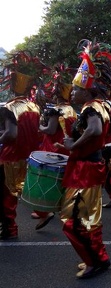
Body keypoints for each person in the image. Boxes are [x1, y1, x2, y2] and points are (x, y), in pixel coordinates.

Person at [60, 39, 111, 278]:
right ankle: (97, 258)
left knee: (76, 220)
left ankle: (96, 260)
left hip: (86, 169)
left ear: (86, 89)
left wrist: (73, 144)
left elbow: (93, 131)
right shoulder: (98, 105)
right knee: (85, 218)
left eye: (75, 88)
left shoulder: (90, 108)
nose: (72, 92)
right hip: (88, 167)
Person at [0, 51, 49, 240]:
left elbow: (11, 134)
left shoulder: (9, 107)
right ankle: (44, 212)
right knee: (25, 188)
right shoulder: (33, 106)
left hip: (11, 156)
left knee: (7, 196)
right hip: (28, 155)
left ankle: (9, 229)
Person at [34, 66, 77, 230]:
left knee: (43, 184)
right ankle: (65, 212)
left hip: (52, 150)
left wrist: (40, 126)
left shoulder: (56, 110)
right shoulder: (71, 110)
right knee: (64, 183)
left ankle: (46, 212)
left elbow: (50, 130)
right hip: (66, 149)